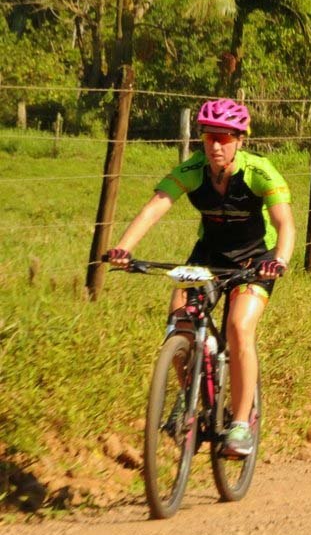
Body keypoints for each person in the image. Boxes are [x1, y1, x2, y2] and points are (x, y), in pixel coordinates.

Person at [106, 98, 294, 456]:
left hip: (256, 259)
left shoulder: (259, 171)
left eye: (224, 138)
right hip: (209, 255)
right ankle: (189, 400)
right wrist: (123, 249)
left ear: (240, 140)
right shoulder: (193, 169)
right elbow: (155, 207)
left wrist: (279, 260)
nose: (215, 146)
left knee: (239, 327)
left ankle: (240, 424)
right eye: (209, 137)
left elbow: (285, 223)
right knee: (179, 324)